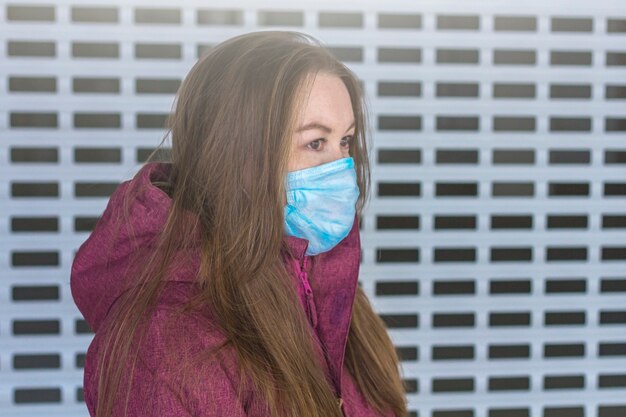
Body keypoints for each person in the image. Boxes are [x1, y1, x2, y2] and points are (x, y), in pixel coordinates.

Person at [70, 30, 408, 417]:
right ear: (236, 152)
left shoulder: (326, 289)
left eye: (345, 142)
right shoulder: (161, 344)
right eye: (315, 143)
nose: (342, 168)